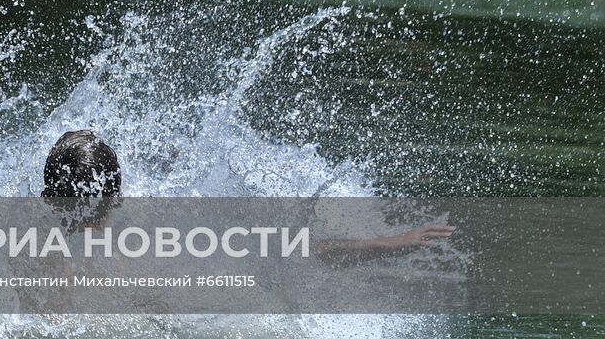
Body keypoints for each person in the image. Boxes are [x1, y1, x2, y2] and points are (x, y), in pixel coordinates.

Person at [41, 130, 456, 258]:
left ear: (45, 196)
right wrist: (391, 242)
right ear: (119, 196)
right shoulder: (156, 241)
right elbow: (291, 257)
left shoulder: (12, 246)